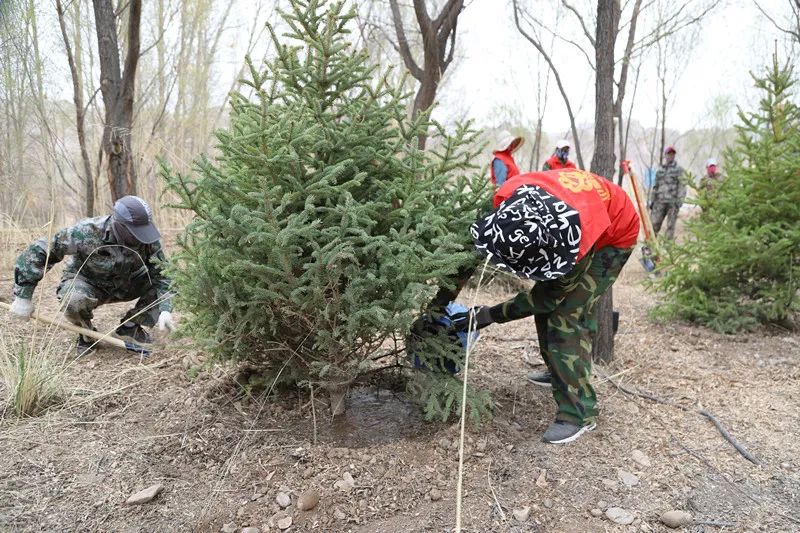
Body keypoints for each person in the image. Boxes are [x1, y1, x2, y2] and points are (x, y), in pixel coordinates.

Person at [453, 169, 639, 444]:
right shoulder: (509, 195)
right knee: (552, 306)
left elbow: (546, 299)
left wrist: (488, 315)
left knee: (565, 314)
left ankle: (579, 413)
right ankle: (558, 370)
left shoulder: (576, 241)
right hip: (586, 211)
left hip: (613, 236)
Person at [9, 195, 174, 354]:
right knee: (72, 300)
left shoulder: (145, 238)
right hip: (89, 284)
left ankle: (130, 328)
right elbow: (41, 250)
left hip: (127, 283)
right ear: (119, 225)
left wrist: (165, 309)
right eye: (134, 232)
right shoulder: (86, 231)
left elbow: (163, 274)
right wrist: (23, 296)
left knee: (177, 283)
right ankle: (86, 334)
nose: (140, 237)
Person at [649, 145, 686, 240]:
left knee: (670, 227)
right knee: (653, 225)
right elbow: (655, 187)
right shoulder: (660, 170)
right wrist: (652, 201)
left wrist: (679, 202)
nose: (670, 156)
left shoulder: (679, 170)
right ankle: (649, 250)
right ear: (665, 155)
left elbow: (682, 186)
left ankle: (668, 250)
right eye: (669, 154)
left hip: (672, 203)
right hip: (659, 203)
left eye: (672, 154)